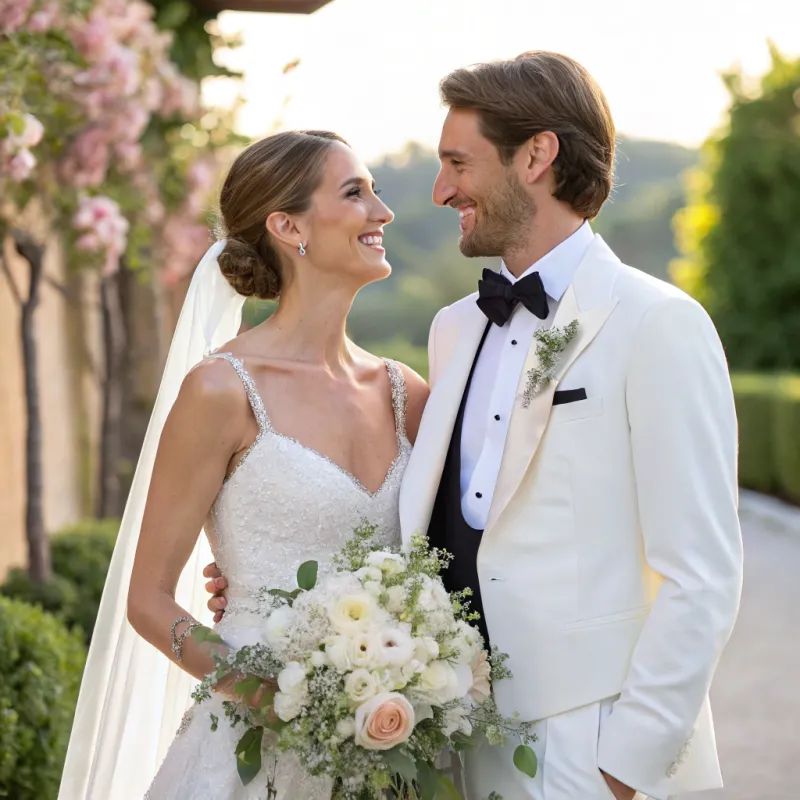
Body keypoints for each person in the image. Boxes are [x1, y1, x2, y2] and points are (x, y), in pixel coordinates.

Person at [398, 51, 743, 800]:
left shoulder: (658, 323)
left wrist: (624, 768)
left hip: (586, 742)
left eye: (458, 162)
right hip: (458, 732)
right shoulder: (453, 330)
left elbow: (702, 573)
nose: (440, 189)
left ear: (537, 155)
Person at [58, 130, 428, 799]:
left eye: (374, 190)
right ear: (288, 226)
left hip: (393, 742)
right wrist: (283, 702)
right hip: (252, 749)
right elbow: (148, 600)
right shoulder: (222, 390)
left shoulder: (409, 395)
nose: (383, 211)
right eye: (355, 192)